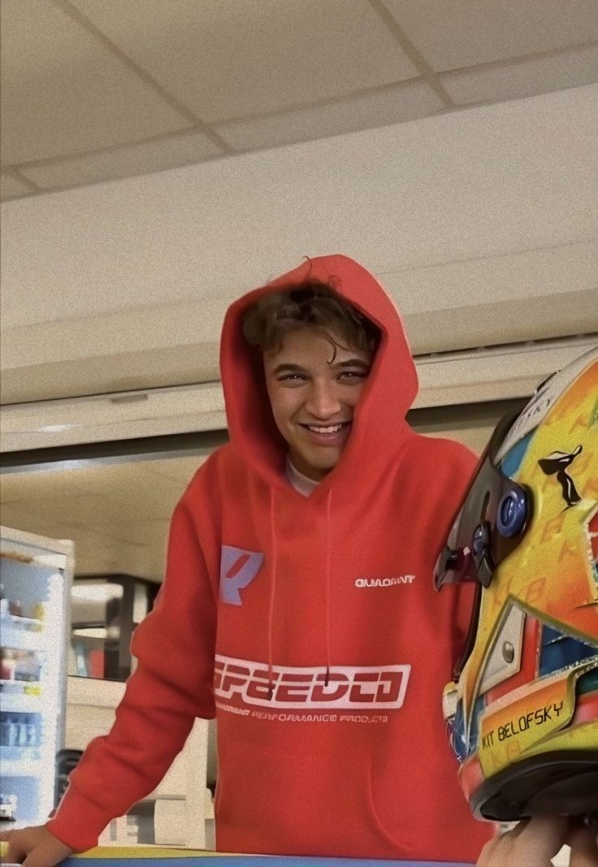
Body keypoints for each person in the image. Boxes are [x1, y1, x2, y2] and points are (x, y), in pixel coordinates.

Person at [0, 254, 594, 866]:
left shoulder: (447, 483)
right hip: (259, 858)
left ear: (382, 375)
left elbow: (515, 670)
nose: (323, 404)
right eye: (293, 376)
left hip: (425, 859)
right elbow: (165, 689)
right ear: (258, 380)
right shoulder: (219, 493)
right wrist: (75, 821)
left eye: (349, 374)